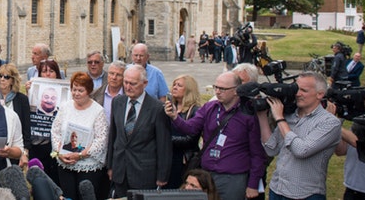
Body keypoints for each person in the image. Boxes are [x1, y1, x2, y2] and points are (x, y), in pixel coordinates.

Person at [166, 71, 265, 200]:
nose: (217, 92)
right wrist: (175, 117)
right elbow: (190, 128)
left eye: (222, 88)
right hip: (207, 174)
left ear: (236, 91)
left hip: (233, 177)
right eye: (216, 87)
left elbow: (257, 153)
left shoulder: (248, 114)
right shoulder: (210, 107)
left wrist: (253, 184)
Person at [257, 71, 341, 200]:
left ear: (320, 94)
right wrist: (262, 115)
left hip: (306, 194)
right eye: (296, 88)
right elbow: (271, 149)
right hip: (278, 190)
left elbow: (301, 150)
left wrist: (279, 118)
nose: (297, 94)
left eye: (304, 90)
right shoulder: (290, 116)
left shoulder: (329, 122)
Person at [106, 65, 171, 198]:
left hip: (144, 174)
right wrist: (111, 166)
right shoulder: (118, 102)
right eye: (125, 82)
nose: (128, 87)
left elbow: (164, 145)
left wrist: (162, 176)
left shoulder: (157, 108)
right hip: (120, 172)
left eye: (133, 83)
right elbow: (114, 135)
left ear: (145, 83)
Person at [51, 72, 107, 200]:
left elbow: (101, 140)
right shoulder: (65, 107)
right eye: (74, 89)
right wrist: (59, 152)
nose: (76, 93)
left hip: (88, 167)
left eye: (80, 90)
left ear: (89, 91)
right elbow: (55, 131)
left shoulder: (98, 111)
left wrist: (81, 155)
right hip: (65, 164)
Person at [332, 78, 365, 199]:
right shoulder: (362, 119)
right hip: (353, 188)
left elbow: (361, 146)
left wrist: (332, 122)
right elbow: (341, 151)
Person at [30, 58, 63, 186]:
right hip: (39, 143)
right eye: (44, 71)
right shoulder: (33, 90)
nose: (47, 74)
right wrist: (30, 92)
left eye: (51, 71)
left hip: (56, 145)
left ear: (57, 73)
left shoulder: (65, 91)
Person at [167, 74, 202, 189]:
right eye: (174, 84)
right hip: (168, 158)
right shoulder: (169, 107)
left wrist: (166, 140)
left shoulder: (195, 111)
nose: (175, 87)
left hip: (184, 160)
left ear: (189, 90)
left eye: (179, 85)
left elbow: (191, 139)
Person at [0, 63, 31, 166]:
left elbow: (26, 129)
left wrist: (24, 153)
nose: (2, 79)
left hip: (14, 150)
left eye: (6, 77)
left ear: (12, 80)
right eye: (0, 76)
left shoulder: (21, 99)